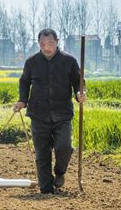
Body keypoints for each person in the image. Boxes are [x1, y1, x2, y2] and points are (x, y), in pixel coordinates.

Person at [13, 28, 86, 194]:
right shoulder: (32, 62)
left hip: (62, 114)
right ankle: (46, 189)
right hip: (38, 115)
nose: (46, 47)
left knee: (64, 147)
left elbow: (78, 82)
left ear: (57, 42)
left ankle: (60, 172)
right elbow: (24, 82)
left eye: (50, 43)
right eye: (42, 44)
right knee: (42, 153)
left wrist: (80, 93)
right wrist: (22, 100)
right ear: (39, 44)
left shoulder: (69, 61)